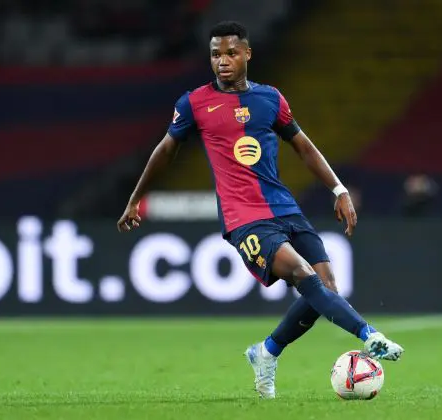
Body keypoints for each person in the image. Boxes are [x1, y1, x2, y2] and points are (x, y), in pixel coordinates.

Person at [116, 21, 404, 399]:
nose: (222, 61)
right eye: (216, 54)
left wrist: (338, 188)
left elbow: (304, 147)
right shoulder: (195, 103)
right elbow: (165, 150)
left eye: (231, 53)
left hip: (284, 207)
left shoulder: (271, 99)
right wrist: (136, 198)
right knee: (303, 274)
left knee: (327, 286)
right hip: (243, 218)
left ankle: (266, 352)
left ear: (247, 54)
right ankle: (370, 336)